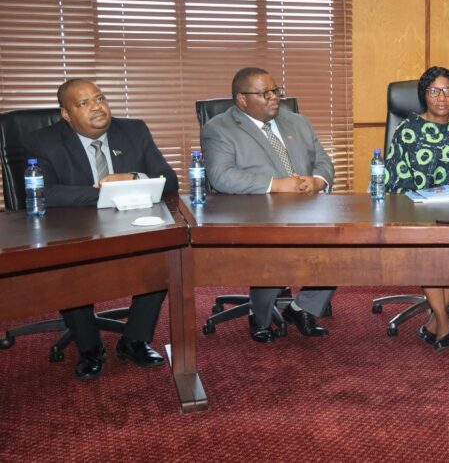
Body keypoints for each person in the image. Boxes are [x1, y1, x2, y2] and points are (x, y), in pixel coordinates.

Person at [28, 79, 178, 380]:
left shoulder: (134, 130)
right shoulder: (43, 140)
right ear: (66, 115)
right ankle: (89, 347)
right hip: (73, 224)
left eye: (99, 98)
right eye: (83, 103)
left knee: (162, 260)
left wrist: (133, 176)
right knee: (66, 268)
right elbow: (44, 193)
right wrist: (106, 192)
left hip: (131, 221)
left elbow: (168, 180)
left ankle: (134, 340)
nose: (97, 106)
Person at [201, 67, 336, 344]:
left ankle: (303, 308)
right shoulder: (219, 128)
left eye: (276, 91)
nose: (275, 97)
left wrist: (318, 181)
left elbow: (324, 160)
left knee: (341, 245)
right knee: (277, 249)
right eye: (265, 93)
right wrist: (276, 184)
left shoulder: (298, 122)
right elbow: (221, 176)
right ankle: (259, 314)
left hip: (307, 206)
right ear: (241, 99)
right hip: (254, 210)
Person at [384, 66, 449, 351]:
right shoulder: (406, 131)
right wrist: (424, 200)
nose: (442, 98)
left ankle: (436, 319)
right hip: (416, 211)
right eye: (434, 91)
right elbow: (396, 180)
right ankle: (443, 318)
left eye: (448, 91)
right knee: (430, 249)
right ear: (424, 95)